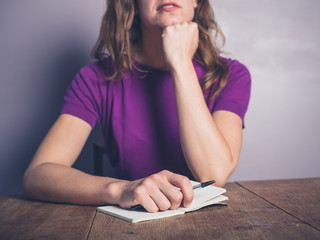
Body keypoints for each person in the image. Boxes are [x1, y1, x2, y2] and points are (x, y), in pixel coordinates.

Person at [23, 0, 251, 213]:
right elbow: (38, 175)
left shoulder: (231, 75)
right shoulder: (95, 78)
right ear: (134, 3)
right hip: (131, 222)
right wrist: (121, 189)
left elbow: (213, 174)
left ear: (197, 2)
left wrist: (181, 64)